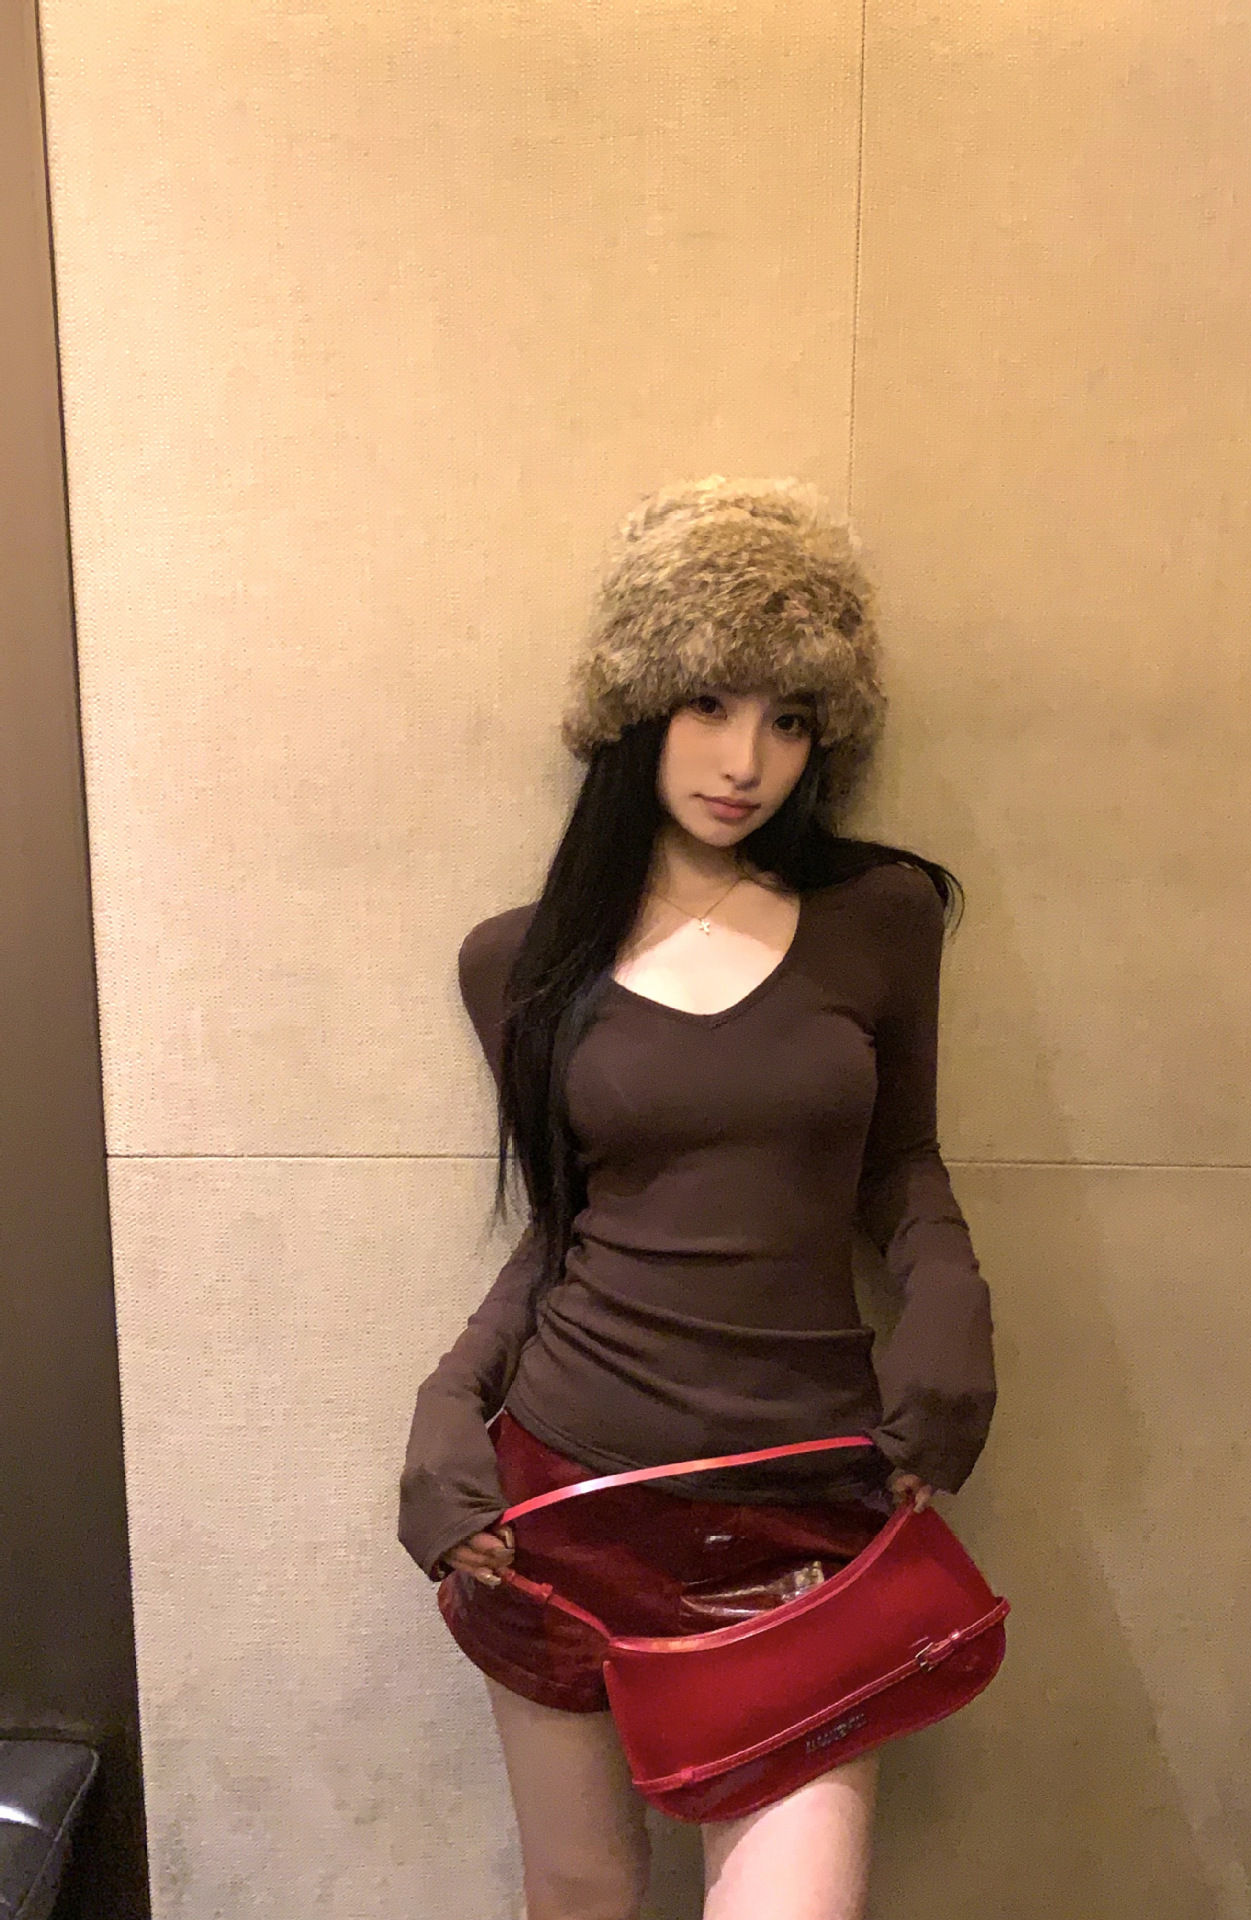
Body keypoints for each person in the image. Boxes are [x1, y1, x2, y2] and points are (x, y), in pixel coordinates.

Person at [399, 475, 997, 1920]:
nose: (748, 760)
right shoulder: (517, 962)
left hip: (806, 1502)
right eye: (711, 702)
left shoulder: (882, 918)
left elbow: (900, 1167)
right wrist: (448, 1401)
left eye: (791, 719)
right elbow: (563, 1230)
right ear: (635, 704)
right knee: (585, 1891)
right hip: (565, 1501)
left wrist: (951, 1312)